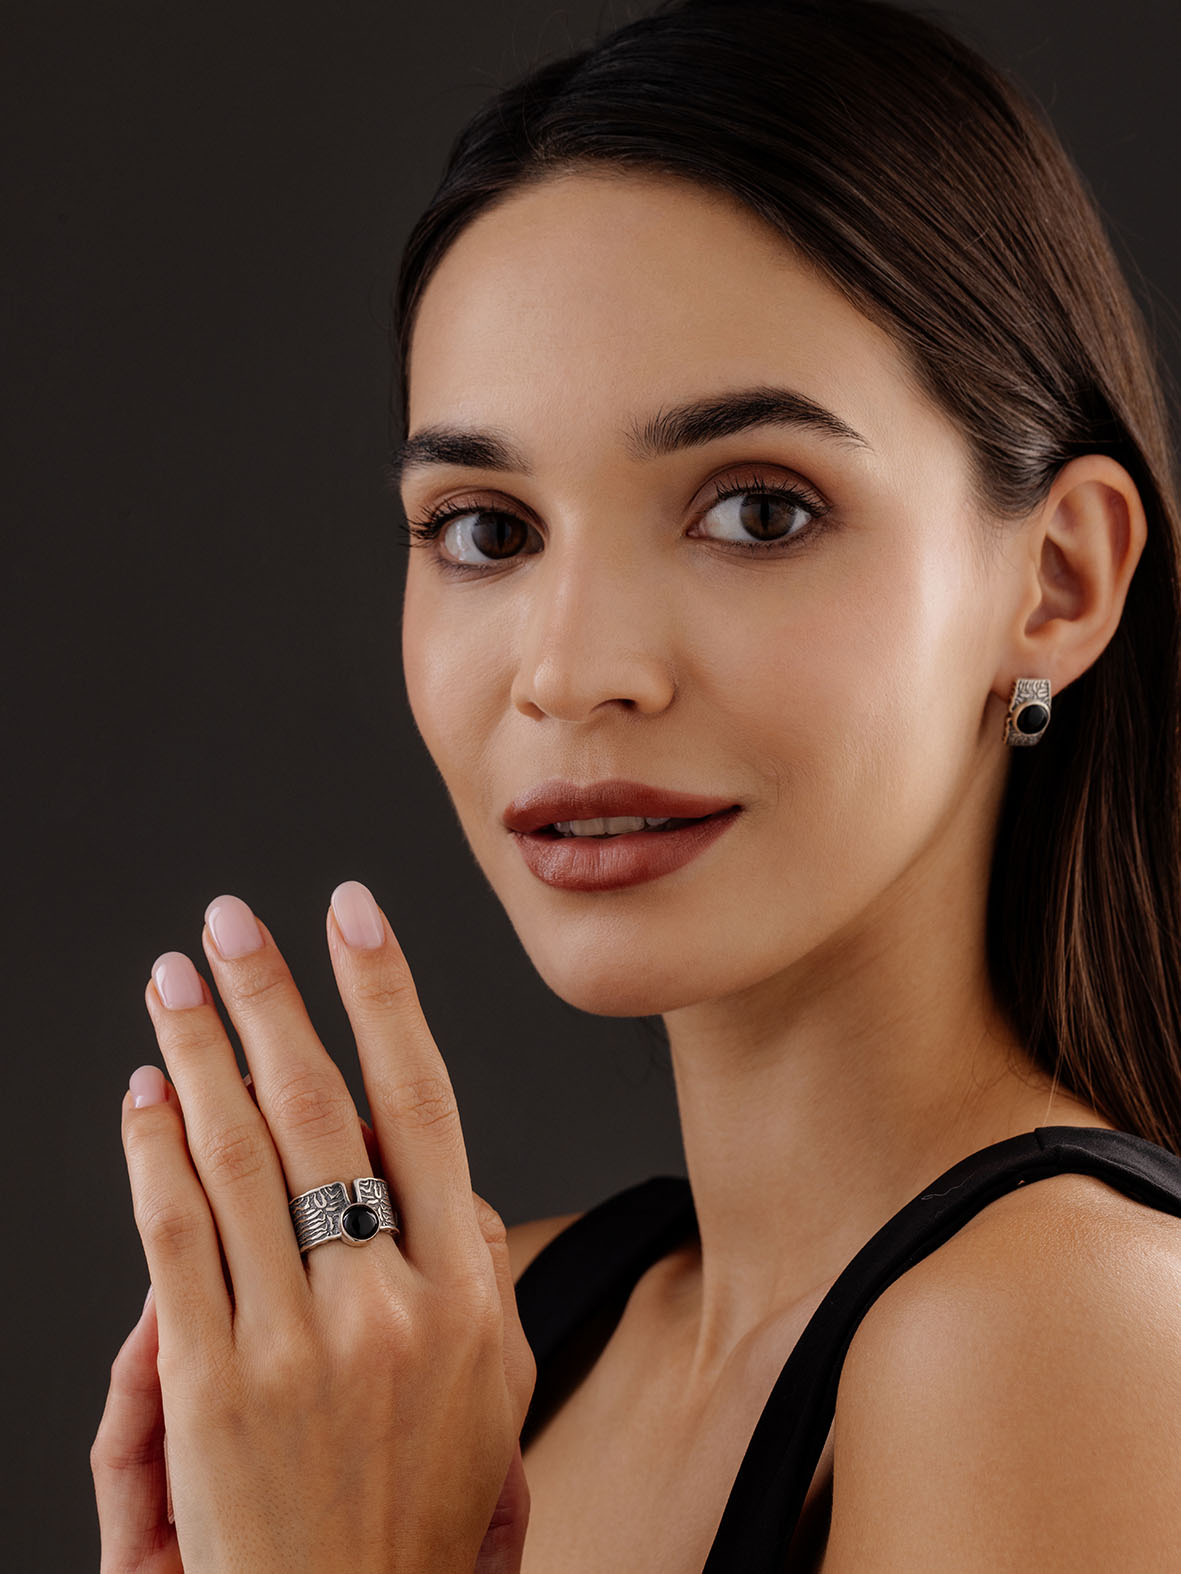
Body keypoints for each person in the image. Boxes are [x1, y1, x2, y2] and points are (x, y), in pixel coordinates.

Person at [93, 1, 1181, 1569]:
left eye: (756, 510)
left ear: (1056, 581)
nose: (569, 669)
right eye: (485, 528)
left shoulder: (1056, 1331)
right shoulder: (460, 1363)